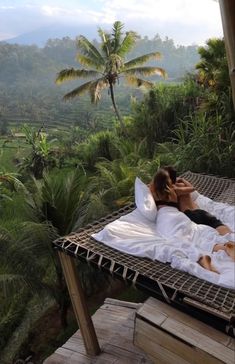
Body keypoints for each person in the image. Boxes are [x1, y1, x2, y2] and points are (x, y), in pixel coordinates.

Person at [150, 168, 235, 272]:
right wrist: (182, 181)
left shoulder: (160, 192)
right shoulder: (176, 188)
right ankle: (229, 243)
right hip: (202, 213)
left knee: (195, 238)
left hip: (189, 216)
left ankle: (220, 248)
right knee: (226, 232)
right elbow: (192, 189)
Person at [162, 166, 232, 236]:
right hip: (197, 212)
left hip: (188, 217)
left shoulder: (168, 191)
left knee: (208, 236)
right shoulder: (181, 185)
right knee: (217, 224)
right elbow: (192, 189)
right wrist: (183, 180)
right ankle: (230, 240)